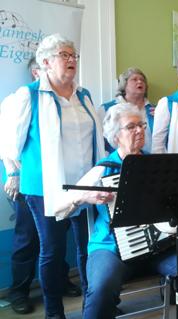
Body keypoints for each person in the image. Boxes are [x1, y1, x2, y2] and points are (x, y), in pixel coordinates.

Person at [55, 103, 178, 319]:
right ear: (115, 136)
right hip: (111, 249)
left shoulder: (156, 165)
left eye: (141, 125)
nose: (139, 130)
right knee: (102, 286)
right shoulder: (104, 169)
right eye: (131, 127)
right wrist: (84, 196)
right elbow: (59, 208)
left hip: (159, 247)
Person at [1, 33, 105, 319]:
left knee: (87, 249)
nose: (71, 60)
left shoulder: (84, 95)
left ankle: (92, 307)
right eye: (64, 55)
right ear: (45, 62)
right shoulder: (29, 95)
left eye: (73, 55)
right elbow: (9, 142)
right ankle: (54, 313)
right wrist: (12, 173)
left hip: (84, 185)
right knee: (52, 251)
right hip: (44, 188)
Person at [0, 57, 82, 315]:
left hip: (60, 182)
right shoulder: (20, 98)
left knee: (56, 239)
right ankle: (19, 292)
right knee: (28, 238)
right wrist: (13, 174)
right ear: (39, 70)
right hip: (29, 183)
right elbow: (7, 141)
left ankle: (58, 281)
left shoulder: (71, 98)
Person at [98, 68, 154, 153]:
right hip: (119, 161)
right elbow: (100, 140)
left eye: (142, 80)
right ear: (124, 85)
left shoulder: (155, 110)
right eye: (134, 79)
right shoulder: (106, 109)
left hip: (152, 161)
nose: (139, 82)